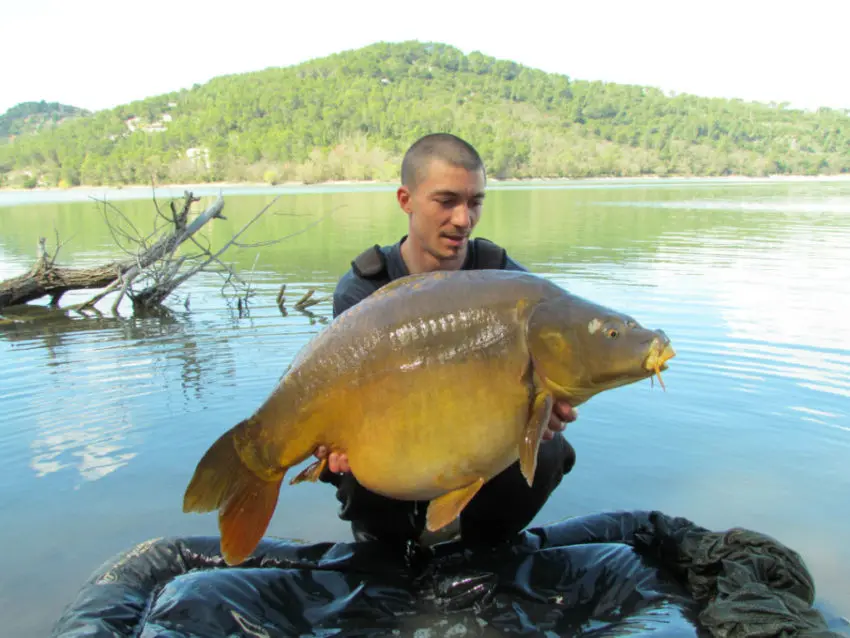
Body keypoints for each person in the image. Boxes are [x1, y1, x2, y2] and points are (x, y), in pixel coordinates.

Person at [315, 133, 578, 547]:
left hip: (476, 438)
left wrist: (541, 409)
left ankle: (479, 551)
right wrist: (335, 447)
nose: (463, 220)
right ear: (406, 200)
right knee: (349, 467)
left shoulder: (507, 281)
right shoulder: (363, 289)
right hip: (397, 440)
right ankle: (387, 550)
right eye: (446, 201)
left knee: (548, 451)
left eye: (475, 202)